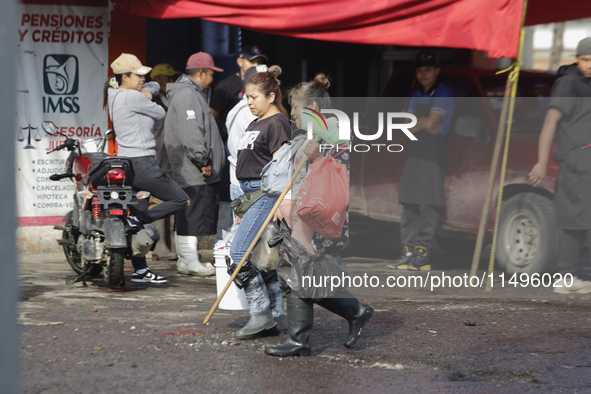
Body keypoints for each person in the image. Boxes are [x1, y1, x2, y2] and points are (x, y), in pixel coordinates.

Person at [264, 74, 373, 357]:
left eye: (296, 107)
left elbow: (339, 166)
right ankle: (301, 338)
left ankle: (352, 311)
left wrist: (317, 157)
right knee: (295, 273)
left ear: (312, 106)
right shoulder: (301, 134)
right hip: (299, 215)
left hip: (317, 218)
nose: (293, 113)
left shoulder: (332, 127)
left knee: (301, 274)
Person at [103, 53, 189, 284]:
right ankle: (138, 218)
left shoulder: (113, 94)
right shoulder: (133, 97)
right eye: (138, 75)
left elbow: (151, 87)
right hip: (143, 164)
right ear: (124, 77)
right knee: (181, 200)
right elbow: (161, 112)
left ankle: (140, 270)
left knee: (133, 222)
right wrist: (148, 95)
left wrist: (148, 89)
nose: (143, 78)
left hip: (124, 165)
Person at [230, 65, 290, 338]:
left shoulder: (277, 122)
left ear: (271, 95)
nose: (249, 102)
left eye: (254, 97)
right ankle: (275, 315)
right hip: (247, 195)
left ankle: (260, 312)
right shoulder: (257, 121)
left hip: (265, 194)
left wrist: (280, 202)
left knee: (238, 253)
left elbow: (283, 168)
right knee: (264, 259)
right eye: (248, 97)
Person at [529, 37, 591, 294]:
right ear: (576, 59)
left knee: (584, 219)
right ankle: (565, 277)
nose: (590, 65)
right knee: (574, 220)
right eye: (586, 60)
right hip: (576, 162)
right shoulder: (568, 83)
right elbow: (550, 122)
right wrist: (542, 161)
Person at [387, 51, 454, 271]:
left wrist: (423, 123)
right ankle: (407, 252)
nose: (423, 74)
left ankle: (422, 253)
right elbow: (408, 124)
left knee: (428, 204)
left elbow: (429, 122)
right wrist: (425, 124)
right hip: (414, 153)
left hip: (433, 156)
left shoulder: (444, 94)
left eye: (427, 70)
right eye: (420, 70)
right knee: (409, 203)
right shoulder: (416, 94)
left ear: (437, 71)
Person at [164, 52, 226, 277]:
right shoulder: (188, 95)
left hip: (190, 167)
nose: (212, 78)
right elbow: (192, 134)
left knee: (189, 212)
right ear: (201, 72)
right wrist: (203, 160)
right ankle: (189, 260)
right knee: (192, 213)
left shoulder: (188, 93)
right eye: (211, 73)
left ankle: (186, 259)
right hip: (194, 168)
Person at [226, 64, 268, 204]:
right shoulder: (252, 112)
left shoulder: (235, 110)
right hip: (252, 185)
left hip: (237, 181)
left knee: (240, 225)